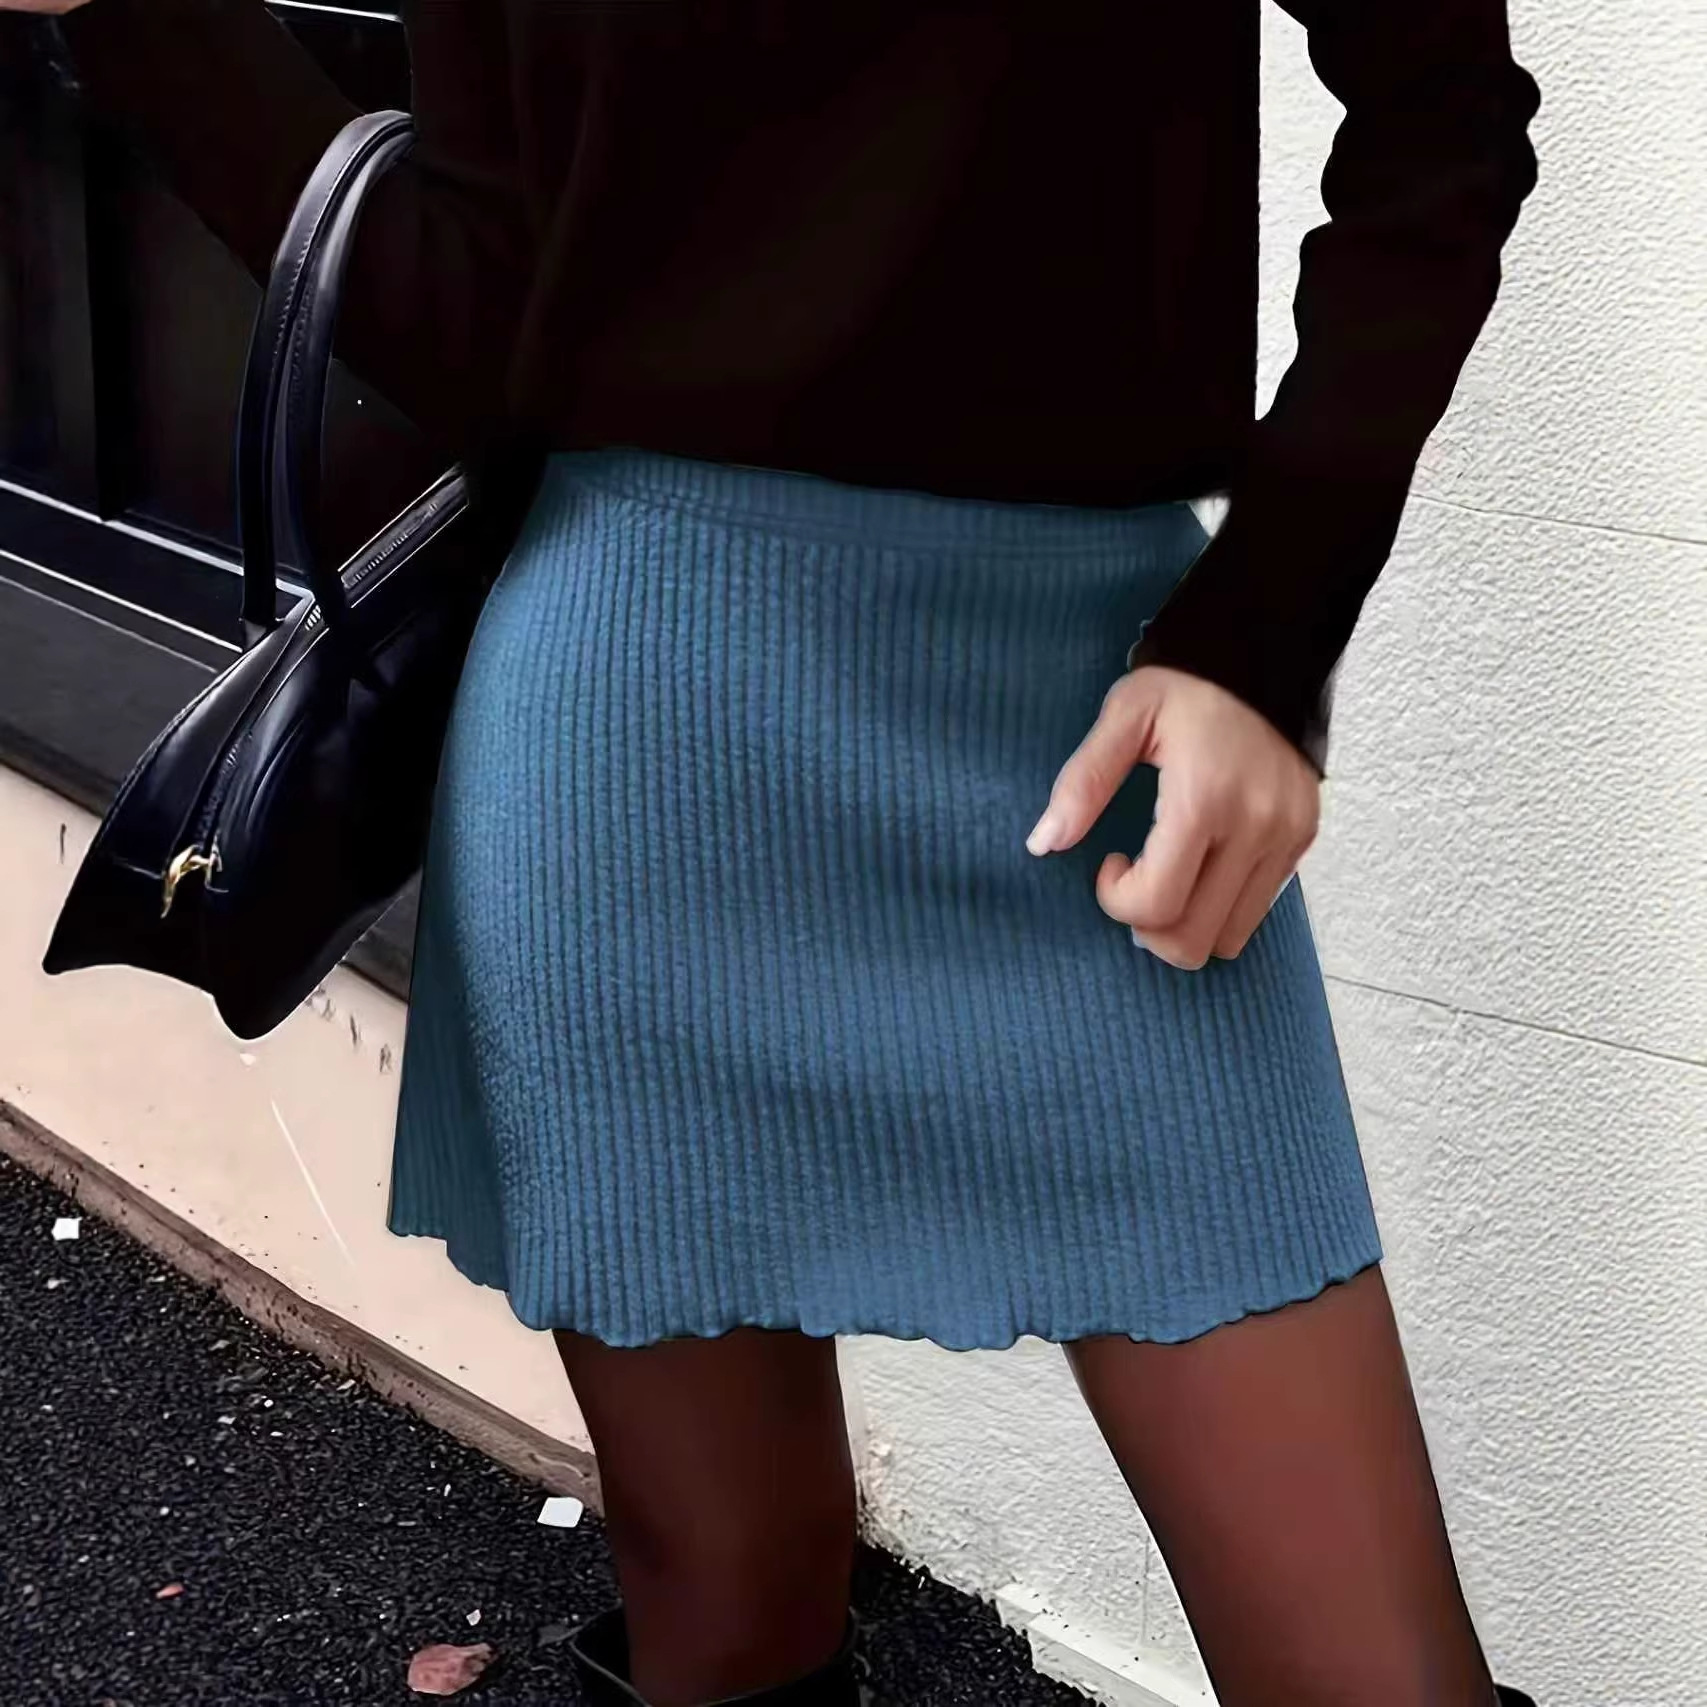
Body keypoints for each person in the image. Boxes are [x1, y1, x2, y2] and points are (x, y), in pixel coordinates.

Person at [12, 4, 1544, 1704]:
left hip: (1086, 733)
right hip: (637, 731)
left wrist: (1269, 625)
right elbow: (483, 321)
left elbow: (1443, 120)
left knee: (1369, 1674)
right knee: (730, 1605)